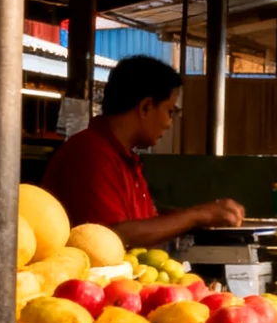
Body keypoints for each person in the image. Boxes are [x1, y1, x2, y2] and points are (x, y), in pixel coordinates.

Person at [42, 55, 243, 246]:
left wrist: (201, 215)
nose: (169, 123)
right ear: (146, 107)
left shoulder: (125, 157)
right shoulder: (90, 153)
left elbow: (143, 221)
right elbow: (114, 235)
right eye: (169, 111)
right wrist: (197, 215)